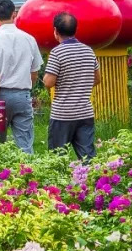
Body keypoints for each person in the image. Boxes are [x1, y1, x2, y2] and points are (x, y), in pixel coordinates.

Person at [0, 0, 43, 153]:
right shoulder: (29, 39)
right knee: (25, 145)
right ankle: (28, 175)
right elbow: (34, 72)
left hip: (0, 97)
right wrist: (26, 90)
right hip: (22, 95)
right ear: (14, 14)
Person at [43, 12, 100, 160]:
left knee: (58, 157)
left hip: (63, 114)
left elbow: (49, 82)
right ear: (75, 29)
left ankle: (60, 183)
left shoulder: (57, 53)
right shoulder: (88, 51)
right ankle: (92, 181)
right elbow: (97, 79)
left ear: (55, 31)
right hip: (85, 112)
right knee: (88, 156)